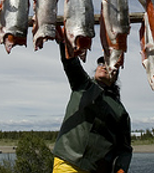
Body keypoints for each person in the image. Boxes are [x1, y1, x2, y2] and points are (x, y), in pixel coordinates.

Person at [52, 43, 133, 173]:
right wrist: (64, 40)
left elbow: (124, 148)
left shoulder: (121, 112)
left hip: (97, 169)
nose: (103, 66)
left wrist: (120, 169)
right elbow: (70, 61)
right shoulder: (82, 84)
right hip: (68, 161)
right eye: (101, 64)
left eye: (108, 64)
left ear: (115, 75)